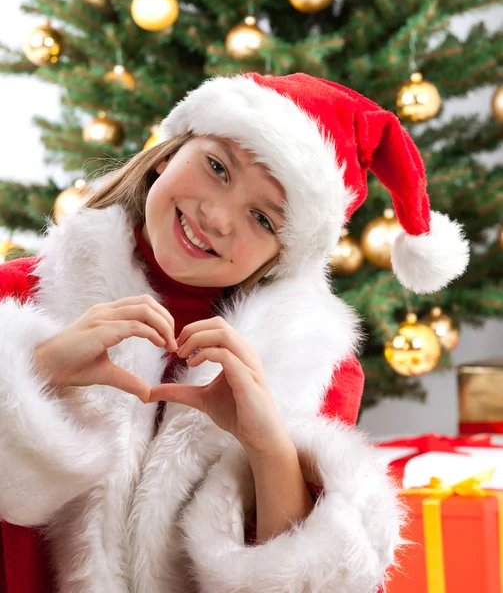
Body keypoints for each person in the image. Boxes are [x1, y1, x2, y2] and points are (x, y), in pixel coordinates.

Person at [0, 73, 469, 593]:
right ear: (167, 152)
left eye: (264, 220)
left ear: (282, 256)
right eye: (217, 166)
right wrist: (37, 372)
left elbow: (311, 580)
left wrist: (267, 444)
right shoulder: (18, 299)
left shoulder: (314, 370)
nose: (217, 216)